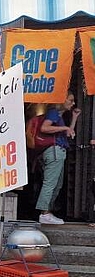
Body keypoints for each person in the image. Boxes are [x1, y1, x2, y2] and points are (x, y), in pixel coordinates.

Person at [35, 92, 82, 225]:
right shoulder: (53, 112)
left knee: (57, 184)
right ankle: (44, 213)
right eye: (71, 100)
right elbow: (45, 128)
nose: (73, 104)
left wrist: (74, 118)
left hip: (58, 151)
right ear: (62, 99)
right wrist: (65, 126)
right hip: (54, 151)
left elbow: (68, 133)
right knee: (50, 183)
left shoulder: (58, 115)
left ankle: (47, 212)